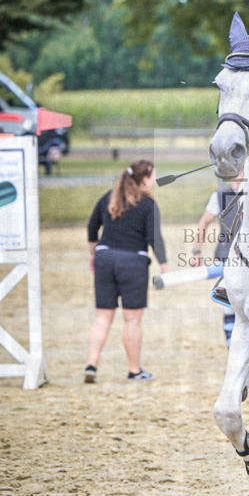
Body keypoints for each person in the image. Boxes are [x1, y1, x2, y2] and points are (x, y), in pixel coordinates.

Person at [84, 160, 168, 383]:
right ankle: (134, 370)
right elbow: (154, 239)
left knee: (102, 316)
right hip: (133, 262)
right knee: (131, 320)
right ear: (144, 180)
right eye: (153, 178)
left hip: (105, 258)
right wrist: (165, 265)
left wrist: (94, 254)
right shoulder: (149, 205)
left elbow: (92, 228)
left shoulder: (109, 197)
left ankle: (91, 365)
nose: (154, 182)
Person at [190, 175, 243, 346]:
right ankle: (230, 341)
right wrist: (196, 251)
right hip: (226, 256)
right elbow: (204, 222)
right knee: (228, 301)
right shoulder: (219, 196)